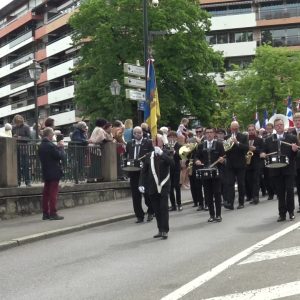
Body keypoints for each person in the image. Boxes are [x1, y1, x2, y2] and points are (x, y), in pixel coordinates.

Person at [261, 117, 298, 221]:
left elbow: (296, 155)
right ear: (274, 127)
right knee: (280, 192)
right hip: (275, 169)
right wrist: (262, 153)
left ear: (283, 125)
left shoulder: (292, 138)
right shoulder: (268, 139)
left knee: (290, 191)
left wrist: (295, 150)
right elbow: (263, 151)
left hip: (289, 169)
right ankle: (282, 214)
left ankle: (291, 212)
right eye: (277, 125)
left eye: (281, 125)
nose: (279, 126)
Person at [139, 134, 174, 239]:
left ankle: (165, 230)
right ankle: (160, 229)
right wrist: (141, 183)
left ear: (162, 142)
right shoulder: (149, 155)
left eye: (158, 141)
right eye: (154, 142)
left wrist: (162, 154)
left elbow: (172, 164)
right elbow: (144, 171)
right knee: (156, 209)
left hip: (164, 185)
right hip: (152, 186)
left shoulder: (168, 152)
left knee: (163, 208)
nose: (156, 144)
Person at [125, 126, 154, 223]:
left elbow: (152, 154)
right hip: (133, 172)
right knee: (135, 196)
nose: (138, 134)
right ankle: (139, 215)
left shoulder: (148, 142)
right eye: (136, 133)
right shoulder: (129, 143)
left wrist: (145, 161)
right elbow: (126, 156)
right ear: (133, 134)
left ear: (142, 133)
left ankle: (151, 212)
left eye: (140, 132)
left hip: (144, 172)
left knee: (147, 194)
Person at [195, 127, 225, 222]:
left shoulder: (219, 144)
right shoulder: (201, 145)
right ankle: (211, 215)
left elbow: (224, 156)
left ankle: (218, 215)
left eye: (211, 132)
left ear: (214, 134)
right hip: (205, 173)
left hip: (216, 173)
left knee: (217, 194)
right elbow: (196, 156)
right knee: (208, 195)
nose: (209, 134)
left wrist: (222, 160)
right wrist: (197, 161)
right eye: (207, 133)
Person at [38, 127, 65, 220]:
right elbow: (59, 156)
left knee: (46, 193)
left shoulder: (41, 145)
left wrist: (56, 147)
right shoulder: (50, 145)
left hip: (46, 171)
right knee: (53, 193)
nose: (53, 135)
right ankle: (53, 213)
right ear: (49, 134)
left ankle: (45, 213)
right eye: (52, 133)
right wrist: (61, 148)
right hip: (54, 171)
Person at [223, 121, 248, 210]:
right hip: (230, 164)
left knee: (241, 184)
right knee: (230, 184)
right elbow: (225, 150)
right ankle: (230, 203)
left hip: (240, 164)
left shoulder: (243, 137)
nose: (234, 130)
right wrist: (227, 145)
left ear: (238, 128)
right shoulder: (226, 137)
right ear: (230, 128)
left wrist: (237, 143)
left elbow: (246, 148)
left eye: (236, 128)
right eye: (233, 128)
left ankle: (241, 202)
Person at [245, 124, 263, 205]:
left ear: (255, 130)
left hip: (256, 162)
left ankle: (256, 197)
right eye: (249, 130)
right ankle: (251, 196)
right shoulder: (245, 140)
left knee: (256, 180)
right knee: (249, 180)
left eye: (252, 130)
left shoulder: (259, 140)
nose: (251, 131)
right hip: (248, 163)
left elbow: (263, 150)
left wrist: (256, 149)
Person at [12, 114, 32, 187]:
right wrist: (13, 137)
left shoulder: (26, 127)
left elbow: (29, 138)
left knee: (25, 165)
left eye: (18, 122)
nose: (17, 124)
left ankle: (28, 181)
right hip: (16, 149)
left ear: (21, 121)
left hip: (24, 149)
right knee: (17, 166)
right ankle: (18, 181)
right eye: (16, 122)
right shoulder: (13, 128)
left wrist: (20, 137)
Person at [288, 112, 300, 214]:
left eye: (299, 120)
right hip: (296, 163)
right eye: (296, 120)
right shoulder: (291, 134)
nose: (297, 122)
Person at [167, 131, 182, 211]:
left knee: (177, 186)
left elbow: (181, 157)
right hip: (169, 168)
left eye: (173, 137)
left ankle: (179, 203)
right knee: (170, 187)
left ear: (176, 138)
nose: (171, 139)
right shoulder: (166, 146)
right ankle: (173, 205)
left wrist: (175, 152)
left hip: (176, 168)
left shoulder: (179, 145)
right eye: (170, 137)